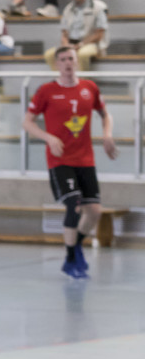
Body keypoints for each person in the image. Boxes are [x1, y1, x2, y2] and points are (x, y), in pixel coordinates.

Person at [22, 45, 117, 279]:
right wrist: (48, 137)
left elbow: (105, 114)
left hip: (85, 159)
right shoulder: (46, 91)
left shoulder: (89, 87)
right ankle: (71, 258)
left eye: (71, 59)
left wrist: (107, 135)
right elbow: (27, 122)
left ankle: (76, 248)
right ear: (57, 64)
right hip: (60, 160)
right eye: (63, 59)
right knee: (74, 205)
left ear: (77, 61)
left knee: (94, 211)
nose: (67, 63)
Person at [43, 0, 109, 72]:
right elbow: (64, 33)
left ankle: (82, 80)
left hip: (91, 44)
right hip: (71, 44)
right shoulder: (68, 9)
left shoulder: (99, 7)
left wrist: (80, 45)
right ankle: (61, 79)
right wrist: (66, 45)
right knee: (49, 55)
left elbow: (99, 34)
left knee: (83, 54)